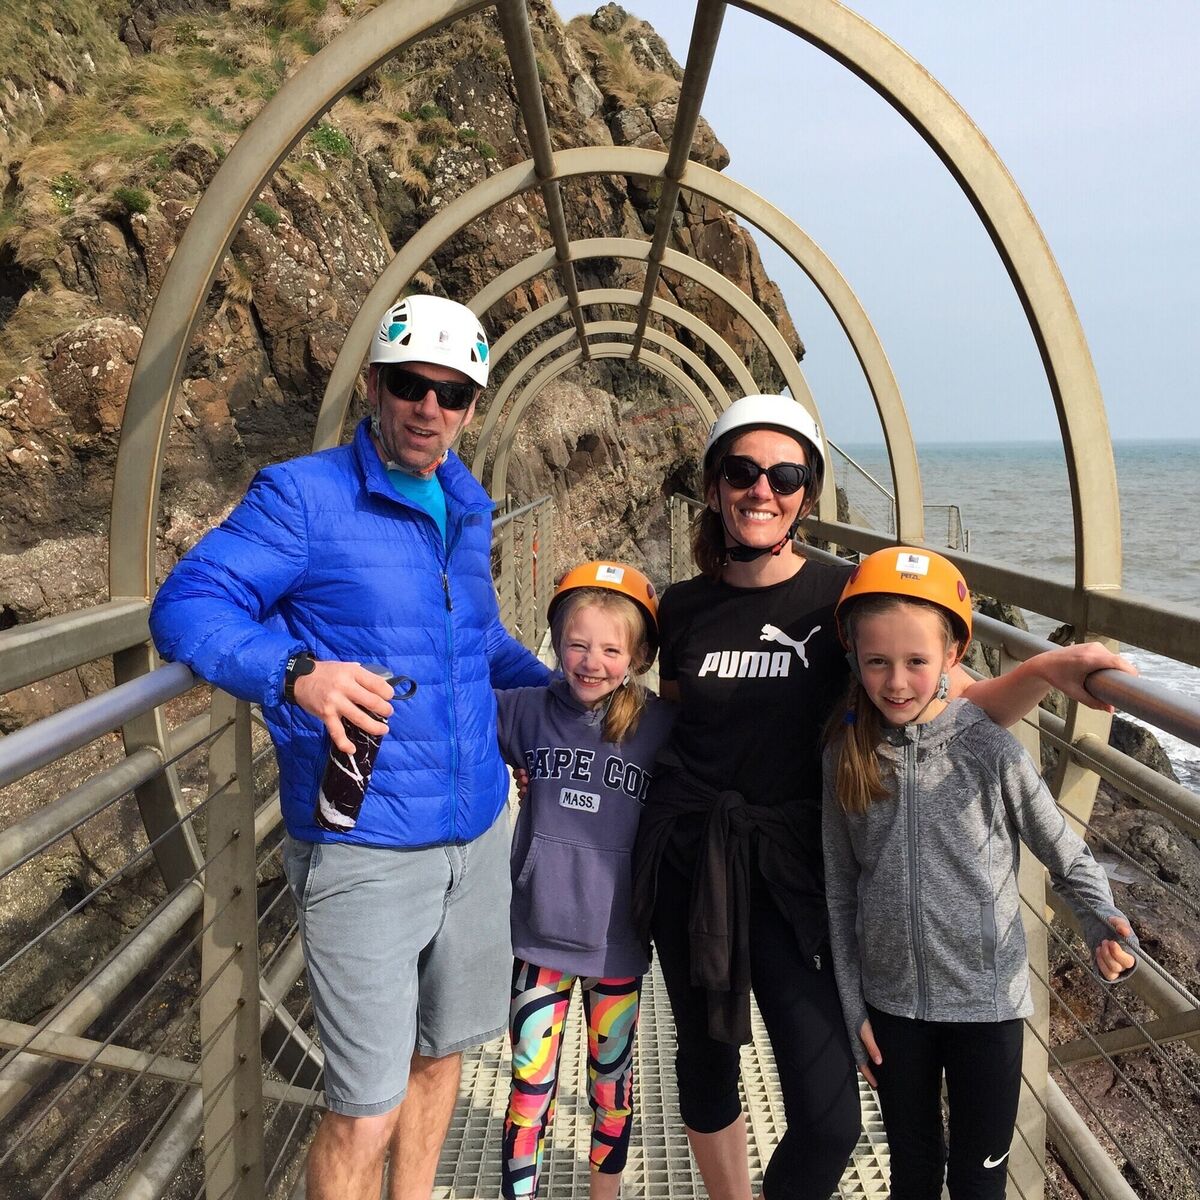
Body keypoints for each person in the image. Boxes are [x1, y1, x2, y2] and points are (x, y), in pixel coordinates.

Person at [630, 394, 1137, 1200]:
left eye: (785, 473)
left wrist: (1045, 672)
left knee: (831, 1117)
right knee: (705, 1062)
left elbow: (945, 702)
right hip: (693, 862)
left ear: (807, 491)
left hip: (798, 873)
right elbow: (666, 722)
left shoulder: (843, 597)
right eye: (742, 471)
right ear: (715, 487)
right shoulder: (681, 607)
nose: (763, 489)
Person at [149, 293, 551, 1200]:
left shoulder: (465, 504)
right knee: (363, 1107)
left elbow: (479, 645)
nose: (429, 408)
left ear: (474, 408)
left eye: (453, 394)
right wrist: (296, 673)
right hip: (364, 846)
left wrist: (570, 697)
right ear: (374, 382)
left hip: (479, 831)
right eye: (411, 383)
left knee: (441, 1055)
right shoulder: (303, 496)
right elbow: (185, 607)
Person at [822, 546, 1137, 1199]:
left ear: (952, 657)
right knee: (911, 1171)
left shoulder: (989, 748)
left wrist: (1098, 914)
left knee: (977, 1181)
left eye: (916, 661)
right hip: (892, 1007)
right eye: (877, 661)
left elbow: (1062, 848)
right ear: (852, 656)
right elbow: (839, 886)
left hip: (987, 1010)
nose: (897, 681)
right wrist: (853, 1007)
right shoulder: (844, 754)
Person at [495, 561, 676, 1200]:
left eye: (610, 648)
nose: (590, 661)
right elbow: (456, 719)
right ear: (555, 644)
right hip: (537, 939)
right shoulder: (523, 712)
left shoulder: (659, 727)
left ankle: (606, 1193)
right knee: (529, 1085)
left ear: (640, 655)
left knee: (611, 1083)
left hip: (616, 943)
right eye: (576, 644)